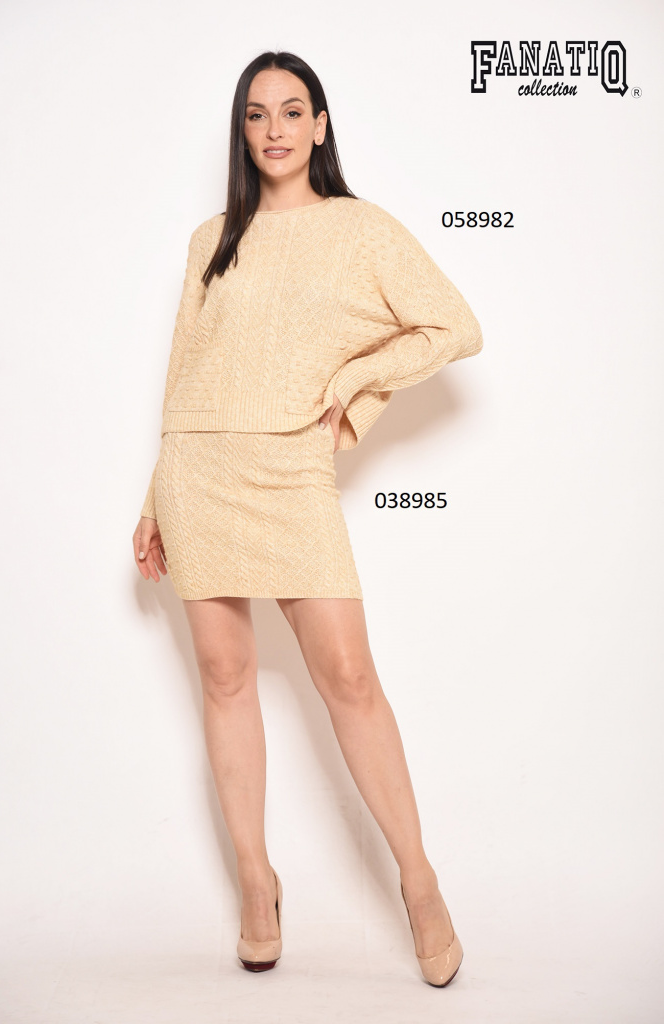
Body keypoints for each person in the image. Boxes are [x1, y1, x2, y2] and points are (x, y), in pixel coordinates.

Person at [132, 49, 483, 986]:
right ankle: (257, 883)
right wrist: (156, 494)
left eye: (293, 111)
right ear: (242, 131)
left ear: (321, 125)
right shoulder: (213, 239)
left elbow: (454, 326)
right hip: (199, 470)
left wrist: (353, 383)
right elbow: (183, 374)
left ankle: (419, 883)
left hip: (290, 470)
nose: (275, 129)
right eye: (257, 114)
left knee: (349, 679)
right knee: (223, 675)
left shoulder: (361, 230)